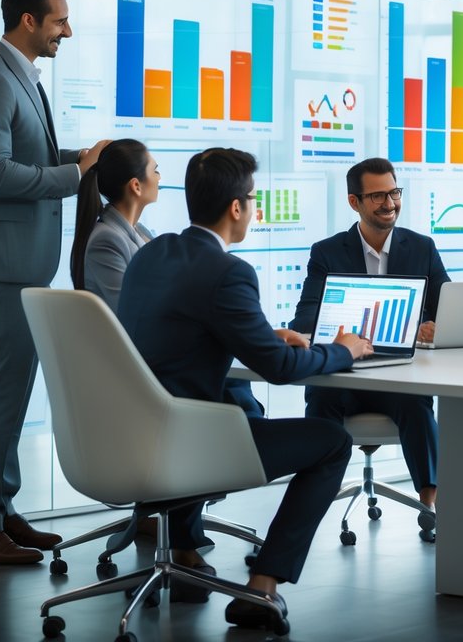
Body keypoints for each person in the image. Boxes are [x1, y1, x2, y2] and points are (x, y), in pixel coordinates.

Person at [116, 147, 372, 628]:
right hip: (187, 446)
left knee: (230, 402)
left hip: (130, 437)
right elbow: (277, 368)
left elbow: (178, 334)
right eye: (254, 200)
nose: (254, 209)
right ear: (237, 207)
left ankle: (190, 553)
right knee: (333, 442)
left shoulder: (152, 253)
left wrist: (259, 331)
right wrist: (345, 350)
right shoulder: (229, 271)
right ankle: (263, 586)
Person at [0, 0, 109, 566]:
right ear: (28, 21)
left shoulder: (19, 78)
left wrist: (85, 159)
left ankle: (1, 510)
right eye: (60, 20)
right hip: (5, 261)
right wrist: (73, 176)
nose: (67, 30)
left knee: (12, 389)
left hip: (24, 260)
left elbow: (28, 159)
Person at [289, 157, 449, 511]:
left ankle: (431, 508)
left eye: (394, 192)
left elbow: (449, 308)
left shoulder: (422, 247)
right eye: (377, 196)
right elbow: (305, 318)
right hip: (342, 374)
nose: (389, 203)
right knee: (321, 398)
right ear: (354, 202)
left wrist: (436, 325)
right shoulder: (327, 252)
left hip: (397, 376)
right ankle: (308, 507)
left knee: (416, 403)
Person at [70, 138, 158, 311]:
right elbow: (129, 310)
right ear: (136, 186)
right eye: (155, 171)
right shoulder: (106, 239)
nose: (159, 177)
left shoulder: (140, 231)